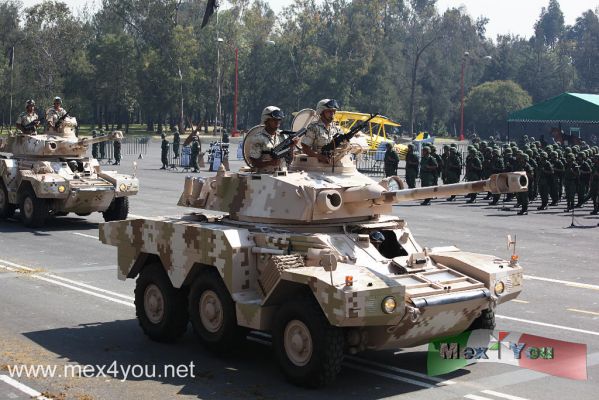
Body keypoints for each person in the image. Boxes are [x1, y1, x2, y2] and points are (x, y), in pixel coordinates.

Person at [246, 106, 294, 173]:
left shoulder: (283, 137)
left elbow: (289, 161)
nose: (277, 122)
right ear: (266, 120)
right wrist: (270, 163)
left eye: (279, 120)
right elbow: (254, 162)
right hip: (265, 177)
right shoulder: (258, 139)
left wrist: (291, 146)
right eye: (274, 120)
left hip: (282, 176)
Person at [301, 98, 343, 163]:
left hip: (335, 164)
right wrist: (319, 157)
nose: (332, 114)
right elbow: (305, 148)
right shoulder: (314, 127)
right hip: (317, 166)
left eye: (333, 111)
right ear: (321, 112)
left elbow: (344, 144)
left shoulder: (336, 128)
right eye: (329, 111)